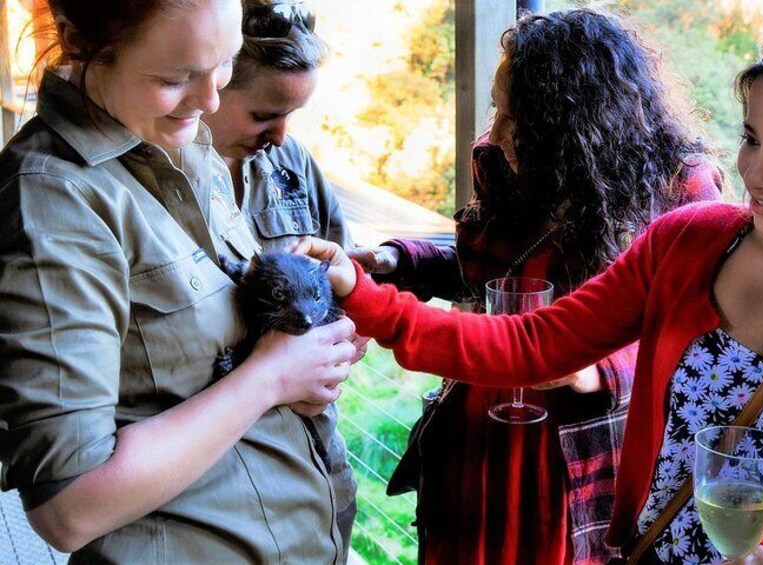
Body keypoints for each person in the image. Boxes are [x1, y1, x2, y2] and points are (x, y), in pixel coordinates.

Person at [299, 19, 763, 565]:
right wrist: (363, 295)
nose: (755, 171)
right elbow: (530, 342)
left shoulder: (676, 190)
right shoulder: (691, 241)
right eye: (751, 138)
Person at [348, 9, 722, 565]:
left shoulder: (678, 189)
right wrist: (399, 261)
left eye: (514, 118)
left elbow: (704, 334)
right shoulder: (504, 166)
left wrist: (598, 369)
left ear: (570, 122)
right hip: (483, 428)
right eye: (496, 110)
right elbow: (495, 274)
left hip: (584, 450)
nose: (495, 136)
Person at [0, 1, 357, 562]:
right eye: (175, 78)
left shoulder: (184, 144)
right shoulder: (55, 198)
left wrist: (315, 349)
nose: (211, 100)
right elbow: (68, 511)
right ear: (76, 41)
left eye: (224, 64)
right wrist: (271, 378)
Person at [201, 1, 359, 556]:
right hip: (216, 492)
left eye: (293, 116)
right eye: (265, 115)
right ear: (210, 82)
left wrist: (342, 348)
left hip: (316, 467)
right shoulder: (152, 194)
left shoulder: (290, 165)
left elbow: (347, 281)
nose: (282, 135)